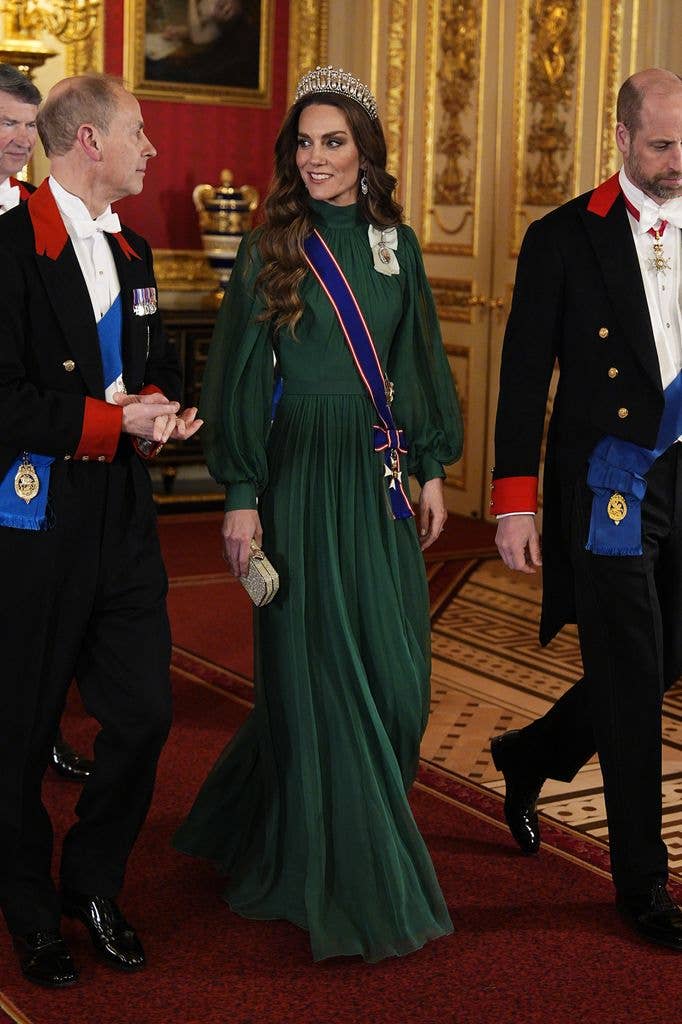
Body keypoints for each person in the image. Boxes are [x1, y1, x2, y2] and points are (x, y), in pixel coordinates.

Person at [173, 65, 463, 962]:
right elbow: (234, 375)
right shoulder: (272, 246)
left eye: (333, 141)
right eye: (304, 142)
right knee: (323, 669)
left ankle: (251, 813)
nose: (316, 157)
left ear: (365, 151)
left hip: (376, 474)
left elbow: (416, 357)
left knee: (397, 679)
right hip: (299, 472)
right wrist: (242, 496)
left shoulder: (396, 244)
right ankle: (339, 871)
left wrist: (429, 467)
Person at [0, 72, 202, 988]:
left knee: (146, 712)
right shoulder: (9, 249)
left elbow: (149, 369)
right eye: (139, 132)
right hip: (33, 517)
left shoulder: (135, 250)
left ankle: (91, 882)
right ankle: (27, 908)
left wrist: (161, 414)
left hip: (120, 515)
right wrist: (113, 424)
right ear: (89, 141)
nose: (150, 148)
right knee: (18, 730)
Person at [490, 67, 682, 951]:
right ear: (622, 137)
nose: (678, 161)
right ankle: (643, 882)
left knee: (664, 653)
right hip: (612, 481)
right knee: (631, 671)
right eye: (663, 145)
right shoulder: (564, 237)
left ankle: (533, 753)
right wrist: (514, 502)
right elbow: (524, 377)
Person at [0, 61, 95, 784]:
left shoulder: (40, 215)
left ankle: (39, 728)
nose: (18, 138)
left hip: (25, 435)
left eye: (28, 126)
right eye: (5, 122)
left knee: (32, 598)